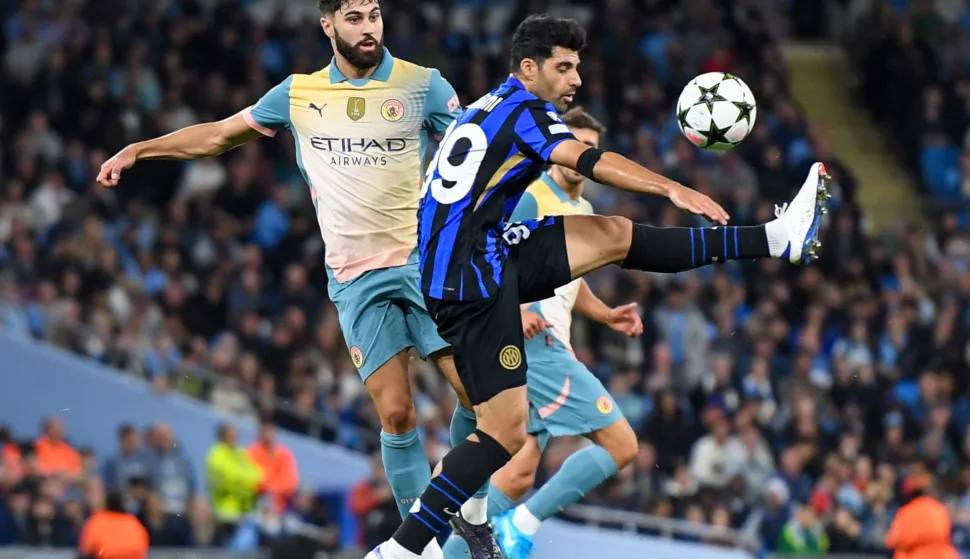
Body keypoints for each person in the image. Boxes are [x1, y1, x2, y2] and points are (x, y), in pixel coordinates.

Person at [369, 14, 828, 559]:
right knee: (504, 435)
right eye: (564, 68)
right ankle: (400, 550)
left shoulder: (489, 105)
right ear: (529, 68)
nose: (576, 80)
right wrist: (671, 187)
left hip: (482, 253)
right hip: (472, 282)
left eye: (578, 67)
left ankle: (777, 237)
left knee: (612, 233)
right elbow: (589, 159)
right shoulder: (526, 114)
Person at [97, 1, 471, 556]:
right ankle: (428, 548)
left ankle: (467, 507)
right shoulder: (296, 95)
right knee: (395, 413)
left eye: (374, 15)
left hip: (421, 264)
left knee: (476, 394)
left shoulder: (425, 86)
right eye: (354, 17)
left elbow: (478, 151)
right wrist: (140, 149)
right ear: (328, 24)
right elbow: (218, 136)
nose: (368, 28)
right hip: (353, 280)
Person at [442, 108, 641, 559]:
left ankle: (440, 554)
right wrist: (522, 305)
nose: (577, 157)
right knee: (622, 444)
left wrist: (606, 314)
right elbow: (493, 257)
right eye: (572, 147)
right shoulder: (531, 196)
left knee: (516, 472)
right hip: (534, 343)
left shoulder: (583, 209)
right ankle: (521, 525)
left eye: (587, 150)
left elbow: (565, 275)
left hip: (547, 341)